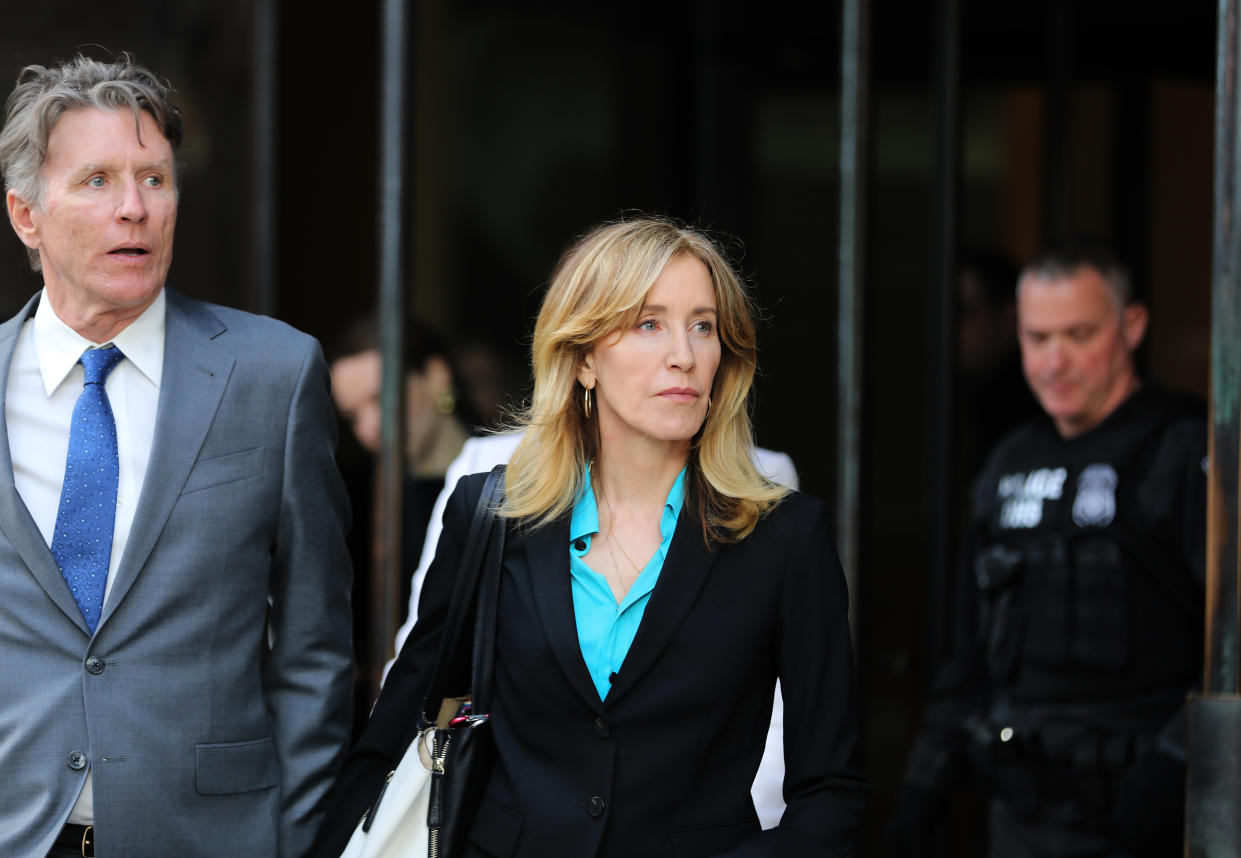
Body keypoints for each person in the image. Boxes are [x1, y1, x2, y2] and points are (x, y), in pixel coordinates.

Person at [312, 216, 866, 857]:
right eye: (648, 323)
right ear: (582, 360)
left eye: (703, 325)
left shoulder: (786, 538)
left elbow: (832, 793)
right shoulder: (491, 516)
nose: (683, 353)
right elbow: (393, 732)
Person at [0, 54, 353, 857]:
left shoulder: (273, 372)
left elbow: (315, 651)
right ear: (27, 215)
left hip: (212, 836)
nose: (135, 210)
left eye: (155, 180)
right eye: (97, 181)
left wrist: (295, 843)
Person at [894, 243, 1206, 858]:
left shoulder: (1184, 450)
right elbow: (968, 649)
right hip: (1022, 814)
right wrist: (924, 780)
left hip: (1148, 812)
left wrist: (1178, 758)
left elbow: (1231, 649)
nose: (1056, 361)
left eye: (1079, 334)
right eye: (1038, 338)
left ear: (1132, 327)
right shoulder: (1008, 462)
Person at [386, 431, 801, 831]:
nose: (679, 360)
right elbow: (423, 669)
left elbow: (771, 700)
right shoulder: (488, 472)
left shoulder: (762, 480)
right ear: (583, 364)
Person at [329, 313, 474, 733]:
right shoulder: (354, 505)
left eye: (380, 399)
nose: (370, 429)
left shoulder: (514, 481)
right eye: (353, 416)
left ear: (435, 376)